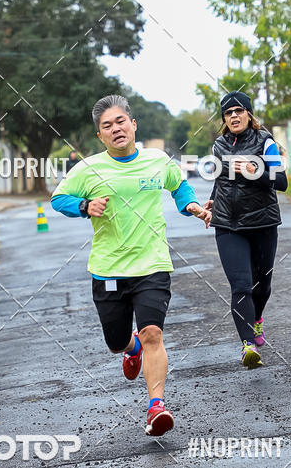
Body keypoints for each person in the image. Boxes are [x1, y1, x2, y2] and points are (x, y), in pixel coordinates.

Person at [51, 94, 211, 436]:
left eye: (120, 121)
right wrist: (84, 206)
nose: (115, 129)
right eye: (107, 126)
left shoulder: (157, 161)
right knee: (116, 340)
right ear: (100, 136)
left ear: (133, 124)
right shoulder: (89, 168)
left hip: (152, 263)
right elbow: (58, 198)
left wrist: (194, 208)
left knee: (154, 332)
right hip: (108, 269)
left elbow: (179, 186)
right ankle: (130, 347)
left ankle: (156, 406)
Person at [203, 91, 287, 369]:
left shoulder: (266, 143)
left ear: (249, 114)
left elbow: (282, 181)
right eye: (228, 113)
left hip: (262, 222)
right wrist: (214, 201)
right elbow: (220, 181)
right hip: (228, 225)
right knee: (241, 286)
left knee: (261, 286)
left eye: (239, 111)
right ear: (224, 119)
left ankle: (257, 319)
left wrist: (255, 170)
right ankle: (248, 345)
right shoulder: (219, 145)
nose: (234, 116)